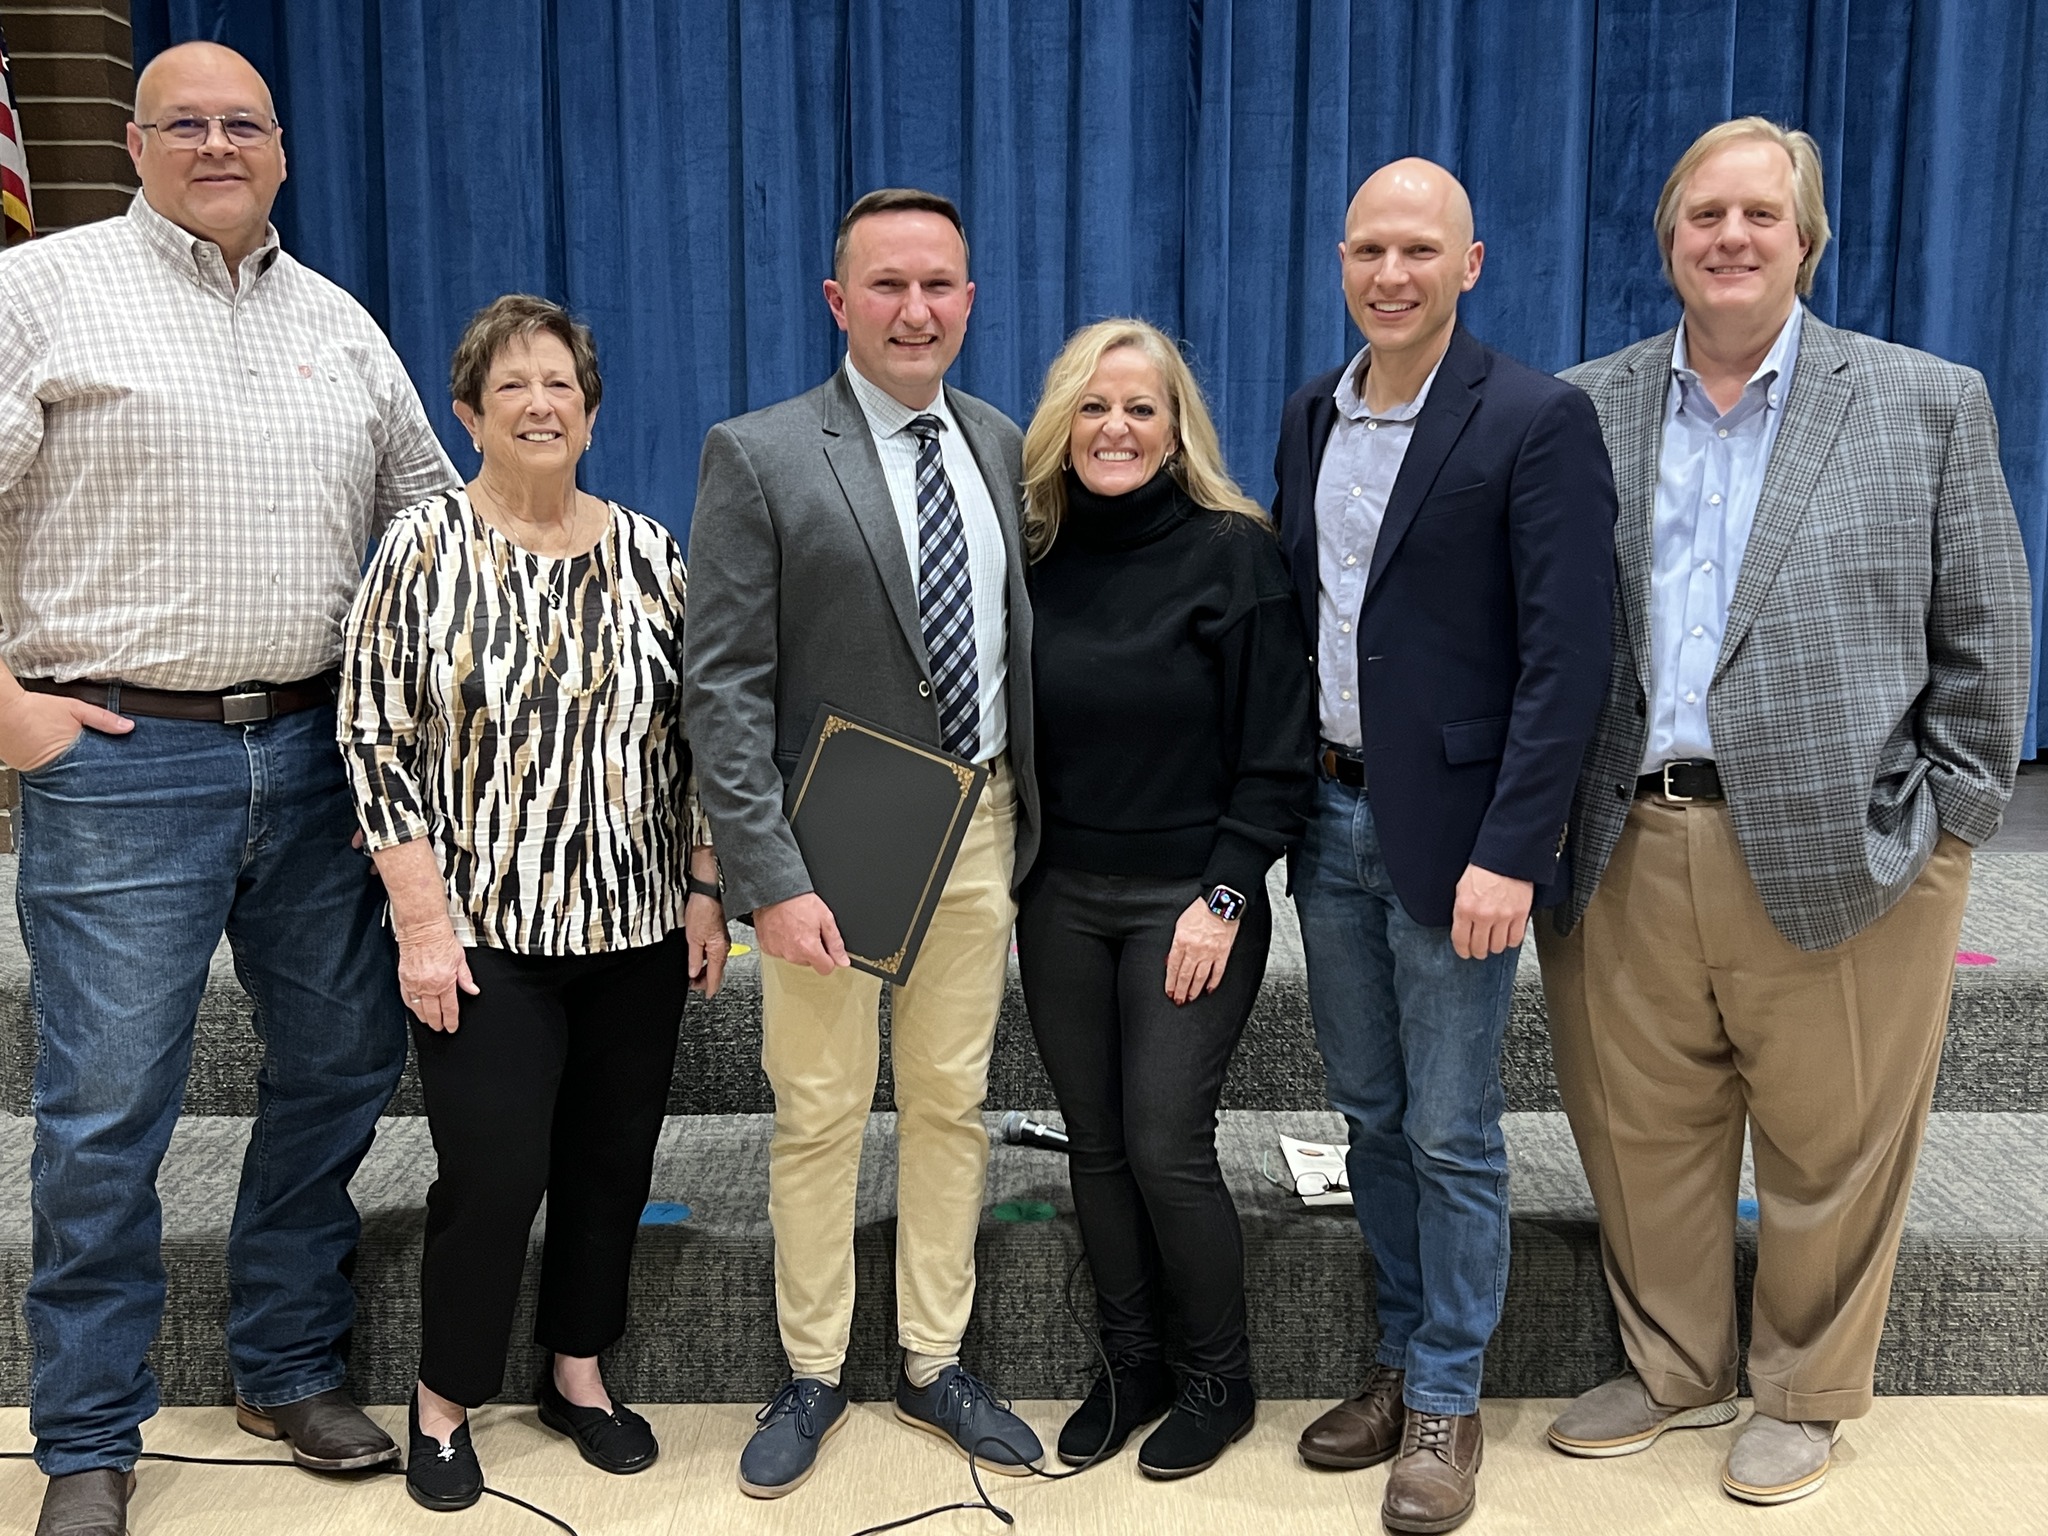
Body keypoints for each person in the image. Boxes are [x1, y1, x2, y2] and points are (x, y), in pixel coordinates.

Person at [1536, 118, 2029, 1507]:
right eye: (1705, 214)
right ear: (1669, 240)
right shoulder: (1585, 405)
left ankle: (1804, 1390)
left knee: (1834, 1139)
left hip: (1850, 842)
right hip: (1628, 834)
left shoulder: (1925, 401)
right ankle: (1675, 1366)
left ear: (1804, 240)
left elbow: (1985, 630)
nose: (1731, 237)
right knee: (1643, 1130)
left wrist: (1951, 828)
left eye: (1760, 215)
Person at [0, 41, 455, 1536]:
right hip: (124, 762)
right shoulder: (44, 291)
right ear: (134, 144)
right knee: (108, 1111)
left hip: (325, 764)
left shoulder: (336, 319)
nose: (215, 144)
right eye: (183, 123)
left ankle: (283, 1363)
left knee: (333, 1074)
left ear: (280, 150)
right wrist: (9, 715)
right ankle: (85, 1436)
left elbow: (434, 517)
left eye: (242, 123)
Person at [339, 294, 731, 1512]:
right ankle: (444, 1399)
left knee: (610, 1163)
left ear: (594, 413)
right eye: (509, 386)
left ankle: (575, 1372)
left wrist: (706, 885)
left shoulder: (655, 553)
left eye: (559, 383)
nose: (539, 403)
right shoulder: (420, 549)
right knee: (495, 1174)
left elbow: (706, 735)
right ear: (467, 413)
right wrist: (418, 921)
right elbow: (373, 737)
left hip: (635, 928)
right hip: (483, 938)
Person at [681, 188, 1044, 1497]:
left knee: (953, 1103)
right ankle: (815, 1368)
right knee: (824, 1111)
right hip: (825, 846)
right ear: (839, 303)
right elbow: (720, 689)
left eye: (939, 284)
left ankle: (934, 1360)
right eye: (887, 285)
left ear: (969, 298)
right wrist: (764, 877)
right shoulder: (763, 451)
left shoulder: (1007, 445)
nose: (916, 308)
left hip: (981, 825)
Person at [1274, 159, 1617, 1534]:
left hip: (1459, 840)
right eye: (1368, 248)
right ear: (1343, 261)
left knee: (1454, 1131)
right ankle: (1400, 1355)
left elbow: (1567, 657)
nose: (1391, 273)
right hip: (1328, 814)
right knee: (1369, 1118)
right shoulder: (1313, 412)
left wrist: (1513, 849)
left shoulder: (1536, 419)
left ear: (1469, 265)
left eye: (1420, 249)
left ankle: (1447, 1401)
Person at [1013, 318, 1315, 1478]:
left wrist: (1226, 895)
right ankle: (1128, 1363)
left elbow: (1274, 756)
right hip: (1061, 900)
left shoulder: (1233, 554)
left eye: (1140, 408)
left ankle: (1215, 1378)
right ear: (1062, 425)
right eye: (1093, 407)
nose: (1115, 428)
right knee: (1093, 1145)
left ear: (1176, 425)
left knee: (1162, 1141)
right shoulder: (1030, 553)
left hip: (1189, 902)